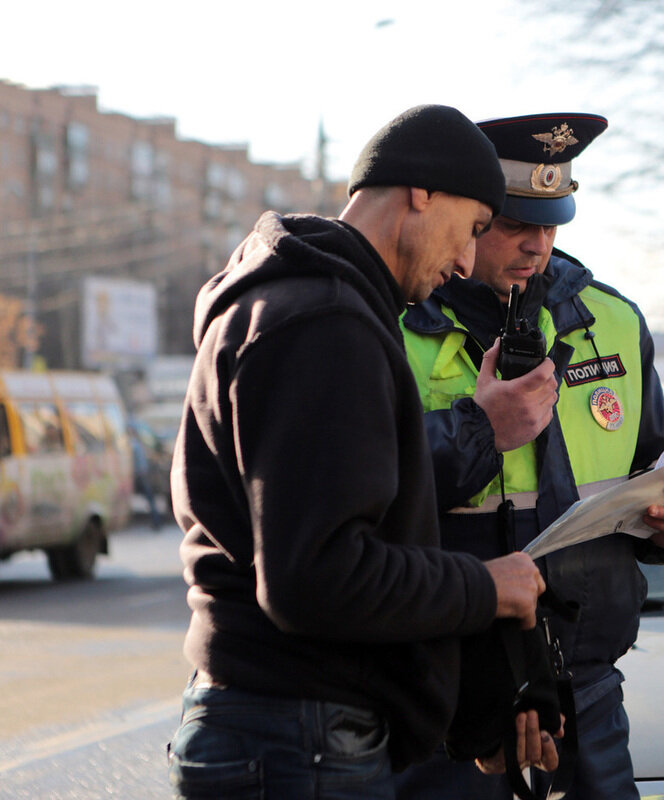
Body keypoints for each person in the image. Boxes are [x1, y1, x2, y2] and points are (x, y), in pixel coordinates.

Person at [166, 105, 554, 799]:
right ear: (421, 190)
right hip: (298, 739)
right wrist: (487, 587)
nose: (466, 260)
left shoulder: (293, 304)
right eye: (471, 229)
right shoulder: (325, 324)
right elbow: (318, 578)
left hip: (280, 728)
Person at [396, 112, 664, 800]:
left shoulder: (611, 320)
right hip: (442, 699)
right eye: (514, 224)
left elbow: (662, 446)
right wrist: (482, 429)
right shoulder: (393, 324)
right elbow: (371, 488)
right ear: (472, 216)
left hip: (583, 692)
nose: (537, 245)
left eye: (553, 223)